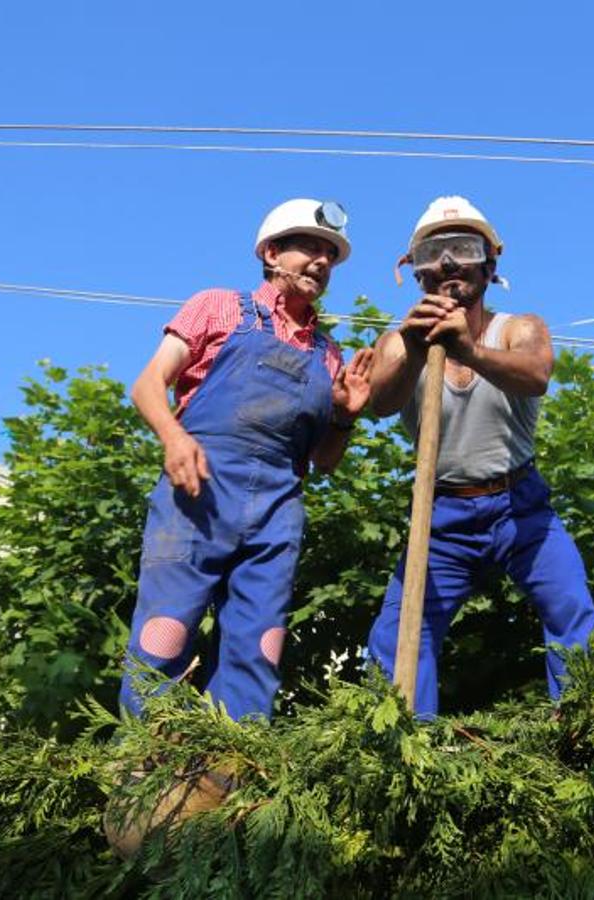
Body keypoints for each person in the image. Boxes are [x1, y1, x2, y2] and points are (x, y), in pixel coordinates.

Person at [119, 198, 373, 721]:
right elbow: (147, 386)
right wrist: (173, 437)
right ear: (271, 252)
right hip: (199, 492)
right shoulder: (219, 306)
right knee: (162, 640)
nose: (322, 261)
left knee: (258, 651)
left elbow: (324, 462)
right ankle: (138, 778)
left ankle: (231, 781)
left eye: (330, 253)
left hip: (278, 508)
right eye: (310, 247)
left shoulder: (329, 355)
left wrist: (346, 416)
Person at [365, 195, 594, 718]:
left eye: (464, 249)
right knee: (397, 636)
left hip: (521, 506)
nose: (449, 263)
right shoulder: (397, 342)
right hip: (441, 514)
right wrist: (413, 343)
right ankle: (404, 749)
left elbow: (536, 374)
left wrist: (467, 350)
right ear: (416, 272)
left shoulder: (518, 328)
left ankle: (588, 736)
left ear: (490, 264)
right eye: (435, 252)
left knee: (572, 613)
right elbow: (380, 404)